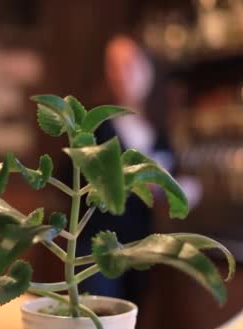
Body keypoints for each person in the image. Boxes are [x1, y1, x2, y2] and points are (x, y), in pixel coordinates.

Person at [78, 35, 201, 306]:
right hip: (98, 247)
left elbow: (169, 182)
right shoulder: (95, 126)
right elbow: (74, 181)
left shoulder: (158, 130)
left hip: (142, 244)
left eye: (130, 64)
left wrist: (179, 191)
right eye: (114, 65)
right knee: (101, 319)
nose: (123, 74)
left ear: (148, 69)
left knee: (135, 319)